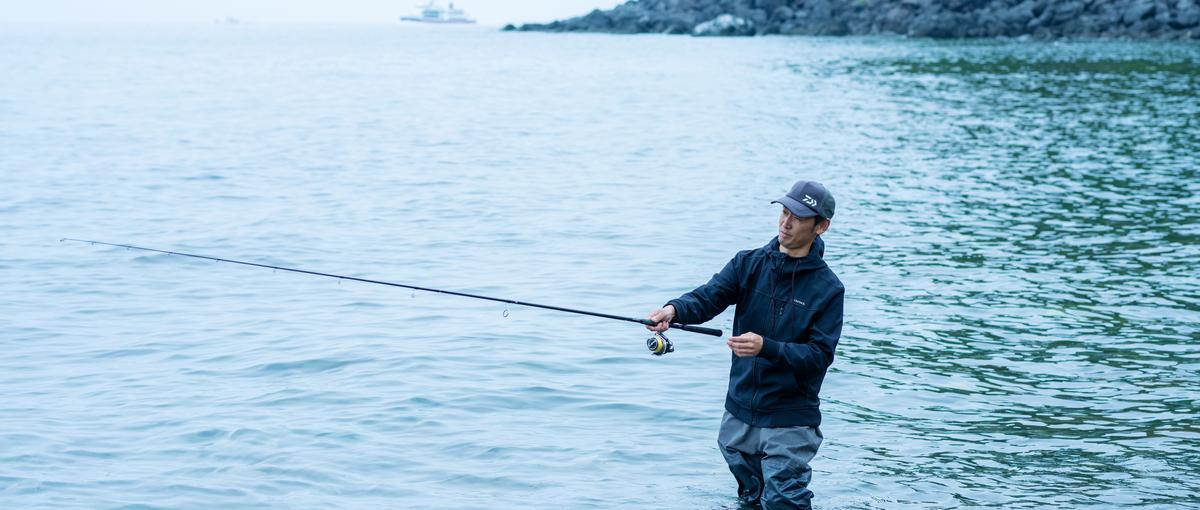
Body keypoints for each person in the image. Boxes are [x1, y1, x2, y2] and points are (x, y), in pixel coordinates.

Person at [646, 180, 844, 510]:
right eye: (783, 212)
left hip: (789, 418)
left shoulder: (829, 288)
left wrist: (767, 347)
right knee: (750, 499)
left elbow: (819, 356)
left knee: (784, 500)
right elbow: (708, 297)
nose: (786, 222)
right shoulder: (747, 264)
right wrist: (673, 310)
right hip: (738, 414)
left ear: (821, 226)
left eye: (797, 217)